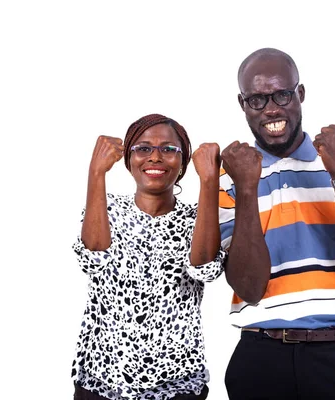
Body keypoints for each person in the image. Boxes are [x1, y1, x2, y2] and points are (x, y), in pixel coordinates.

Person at [219, 48, 335, 400]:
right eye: (257, 99)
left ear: (301, 94)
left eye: (282, 94)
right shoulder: (228, 178)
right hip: (259, 360)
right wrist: (247, 188)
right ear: (242, 103)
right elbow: (249, 288)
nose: (271, 109)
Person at [71, 114, 225, 400]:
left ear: (182, 162)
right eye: (143, 148)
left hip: (178, 384)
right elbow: (91, 258)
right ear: (129, 159)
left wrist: (209, 181)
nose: (155, 157)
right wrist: (96, 173)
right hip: (103, 382)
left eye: (168, 149)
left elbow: (205, 269)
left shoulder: (196, 217)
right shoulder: (108, 209)